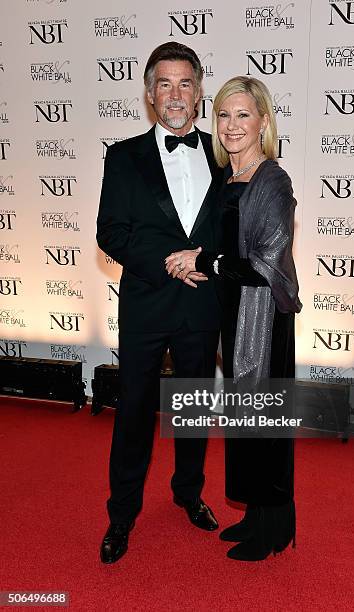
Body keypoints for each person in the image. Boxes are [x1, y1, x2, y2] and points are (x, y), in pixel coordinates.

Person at [165, 76, 302, 561]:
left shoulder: (273, 180)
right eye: (224, 114)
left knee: (265, 420)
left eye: (243, 115)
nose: (232, 125)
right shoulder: (228, 178)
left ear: (263, 122)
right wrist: (199, 255)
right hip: (235, 312)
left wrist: (206, 262)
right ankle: (254, 516)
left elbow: (266, 263)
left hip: (264, 319)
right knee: (247, 417)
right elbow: (225, 246)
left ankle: (273, 529)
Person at [96, 42, 222, 565]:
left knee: (194, 408)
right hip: (147, 303)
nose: (175, 95)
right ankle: (121, 514)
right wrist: (170, 259)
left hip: (202, 303)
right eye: (164, 84)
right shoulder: (123, 156)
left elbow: (238, 232)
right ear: (150, 95)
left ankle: (189, 492)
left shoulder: (223, 151)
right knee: (134, 413)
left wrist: (204, 258)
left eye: (185, 83)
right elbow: (112, 233)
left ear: (198, 93)